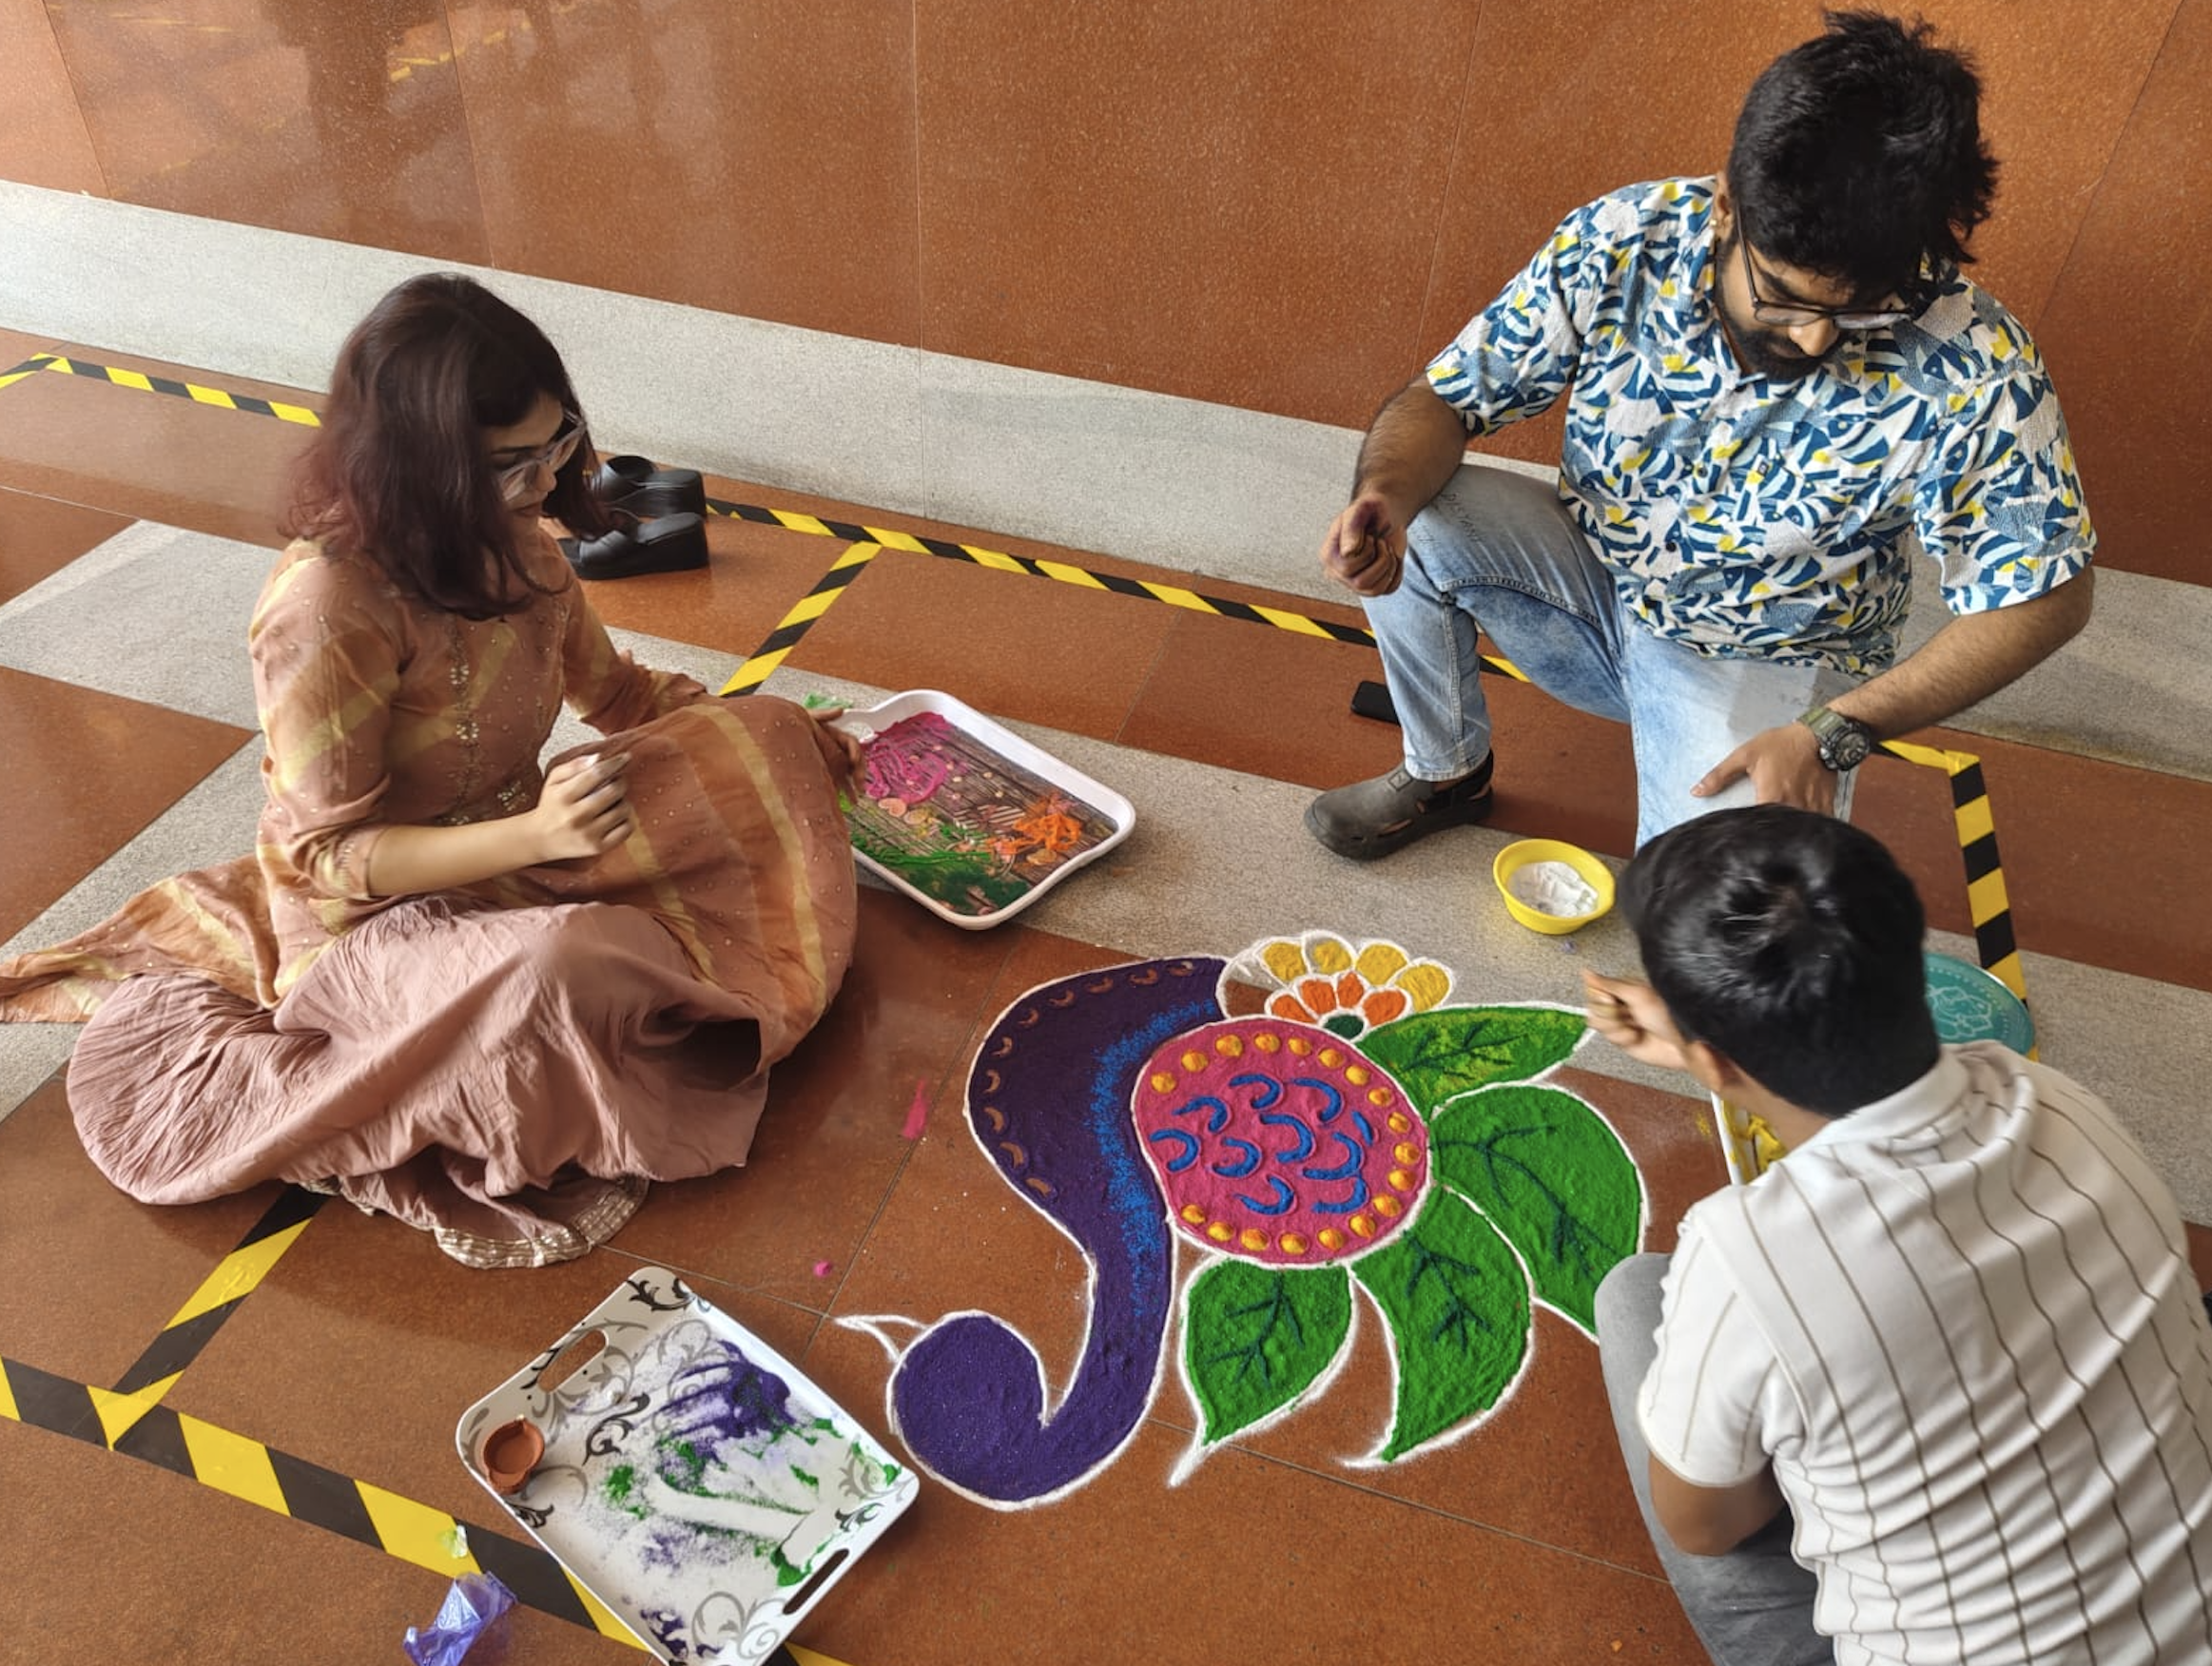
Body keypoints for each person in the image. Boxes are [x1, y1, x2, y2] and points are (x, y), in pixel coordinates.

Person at [0, 274, 863, 1268]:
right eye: (508, 465)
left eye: (557, 443)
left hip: (526, 856)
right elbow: (326, 858)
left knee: (764, 732)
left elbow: (621, 695)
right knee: (564, 963)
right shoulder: (325, 607)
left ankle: (633, 973)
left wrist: (760, 733)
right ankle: (595, 1011)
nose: (542, 482)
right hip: (369, 927)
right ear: (416, 468)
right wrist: (534, 836)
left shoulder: (521, 546)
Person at [1308, 11, 2093, 858]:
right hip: (1595, 591)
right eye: (1784, 298)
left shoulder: (1976, 364)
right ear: (1726, 208)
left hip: (1771, 657)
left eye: (1862, 310)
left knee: (1724, 909)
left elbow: (2046, 597)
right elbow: (1444, 400)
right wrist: (1381, 496)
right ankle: (1445, 770)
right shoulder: (1624, 239)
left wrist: (1838, 731)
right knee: (1417, 508)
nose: (1816, 339)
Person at [1581, 804, 2212, 1665]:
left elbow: (1705, 1527)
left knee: (1632, 1301)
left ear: (1718, 1066)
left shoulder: (1743, 1254)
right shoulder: (2066, 1104)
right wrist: (1713, 1035)